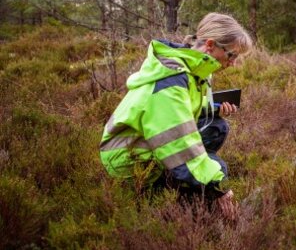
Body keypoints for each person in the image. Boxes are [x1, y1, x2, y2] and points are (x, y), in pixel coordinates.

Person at [99, 13, 253, 217]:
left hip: (146, 141)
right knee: (217, 168)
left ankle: (184, 186)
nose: (232, 63)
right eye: (231, 55)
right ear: (210, 45)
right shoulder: (173, 79)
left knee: (217, 127)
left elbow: (182, 111)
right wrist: (217, 190)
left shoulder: (196, 70)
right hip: (129, 159)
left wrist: (214, 109)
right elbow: (179, 143)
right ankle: (166, 201)